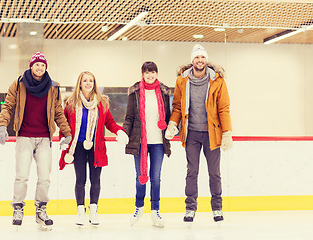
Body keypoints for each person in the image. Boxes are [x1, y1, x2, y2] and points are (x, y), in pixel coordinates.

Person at [0, 52, 72, 231]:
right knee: (22, 176)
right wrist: (2, 126)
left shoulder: (53, 86)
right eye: (37, 64)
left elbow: (58, 111)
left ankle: (41, 209)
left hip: (45, 138)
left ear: (46, 67)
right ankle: (18, 209)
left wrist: (66, 132)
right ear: (31, 66)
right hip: (24, 136)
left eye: (43, 65)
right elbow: (8, 106)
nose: (40, 68)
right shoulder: (19, 83)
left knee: (44, 178)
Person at [165, 44, 233, 222]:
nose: (200, 60)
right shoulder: (182, 80)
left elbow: (224, 108)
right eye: (197, 57)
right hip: (192, 134)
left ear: (206, 60)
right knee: (192, 172)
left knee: (214, 173)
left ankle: (217, 208)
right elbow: (178, 106)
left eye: (202, 57)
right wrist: (173, 123)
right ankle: (190, 208)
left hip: (212, 134)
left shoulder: (217, 80)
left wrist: (227, 133)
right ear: (192, 60)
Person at [58, 71, 128, 226]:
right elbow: (64, 124)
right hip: (77, 148)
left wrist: (119, 131)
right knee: (80, 180)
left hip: (96, 147)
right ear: (80, 84)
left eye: (91, 81)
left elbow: (109, 122)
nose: (88, 83)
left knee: (95, 180)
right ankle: (81, 212)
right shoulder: (71, 103)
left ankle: (94, 211)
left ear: (94, 84)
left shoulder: (101, 103)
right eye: (85, 81)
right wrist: (63, 138)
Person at [123, 61, 171, 228]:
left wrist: (172, 128)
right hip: (140, 141)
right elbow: (129, 118)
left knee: (156, 178)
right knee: (140, 177)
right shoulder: (134, 92)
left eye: (153, 72)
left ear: (157, 74)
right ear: (142, 74)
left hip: (158, 142)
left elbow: (169, 116)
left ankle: (155, 211)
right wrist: (124, 132)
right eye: (147, 72)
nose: (150, 75)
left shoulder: (164, 92)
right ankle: (138, 207)